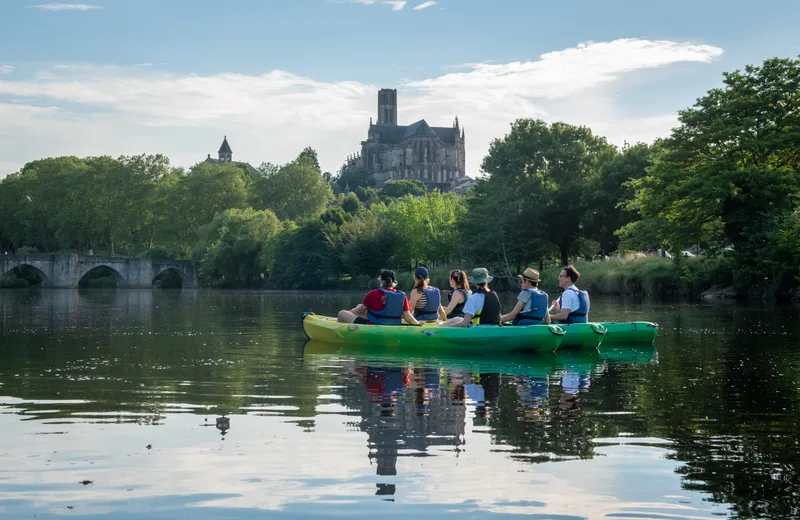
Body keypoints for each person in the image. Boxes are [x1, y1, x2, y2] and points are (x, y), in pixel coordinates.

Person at [337, 269, 421, 325]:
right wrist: (418, 324)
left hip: (374, 325)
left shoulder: (373, 293)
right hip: (393, 324)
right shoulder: (402, 296)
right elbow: (408, 317)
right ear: (394, 282)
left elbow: (360, 311)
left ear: (381, 281)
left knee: (341, 313)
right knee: (359, 306)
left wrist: (349, 312)